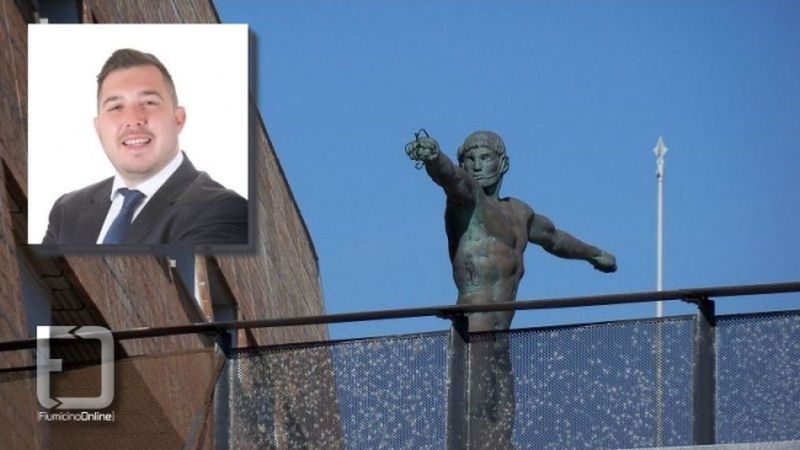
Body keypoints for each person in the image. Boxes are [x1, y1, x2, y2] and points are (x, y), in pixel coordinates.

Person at [406, 130, 616, 448]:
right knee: (476, 413)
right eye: (469, 160)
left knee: (502, 418)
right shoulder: (467, 200)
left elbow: (554, 238)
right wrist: (435, 159)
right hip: (474, 326)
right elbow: (452, 179)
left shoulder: (520, 213)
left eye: (485, 158)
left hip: (502, 332)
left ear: (503, 163)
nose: (477, 166)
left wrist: (593, 254)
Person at [42, 48, 247, 246]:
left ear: (178, 119)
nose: (133, 120)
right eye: (116, 107)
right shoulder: (66, 212)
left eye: (148, 102)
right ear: (98, 128)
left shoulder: (222, 210)